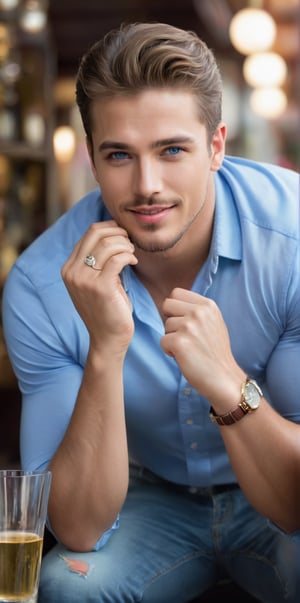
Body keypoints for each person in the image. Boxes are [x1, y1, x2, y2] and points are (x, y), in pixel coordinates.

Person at [2, 21, 300, 603]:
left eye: (172, 150)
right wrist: (106, 349)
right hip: (147, 497)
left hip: (271, 494)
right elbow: (80, 528)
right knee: (69, 587)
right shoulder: (42, 285)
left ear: (216, 146)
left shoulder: (292, 245)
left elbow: (294, 504)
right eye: (119, 155)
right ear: (90, 157)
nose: (147, 186)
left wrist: (229, 386)